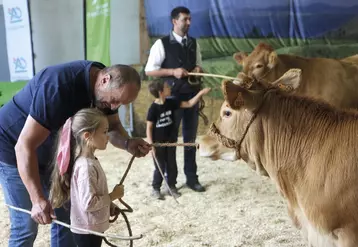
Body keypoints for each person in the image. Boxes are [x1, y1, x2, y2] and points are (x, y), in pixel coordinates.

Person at [0, 60, 151, 247]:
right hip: (13, 148)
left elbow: (112, 127)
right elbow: (24, 146)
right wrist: (37, 199)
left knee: (71, 217)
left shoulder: (106, 91)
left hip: (55, 156)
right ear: (105, 80)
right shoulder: (57, 85)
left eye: (120, 104)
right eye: (114, 100)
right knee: (26, 227)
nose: (113, 107)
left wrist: (128, 143)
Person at [145, 6, 206, 192]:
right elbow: (149, 70)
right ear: (174, 21)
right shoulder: (161, 44)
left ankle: (192, 178)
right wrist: (172, 71)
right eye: (185, 19)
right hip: (172, 99)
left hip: (191, 96)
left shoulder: (194, 43)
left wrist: (197, 70)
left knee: (190, 140)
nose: (188, 23)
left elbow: (200, 67)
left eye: (189, 19)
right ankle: (169, 181)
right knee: (170, 141)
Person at [49, 108, 124, 247]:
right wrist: (113, 195)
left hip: (90, 227)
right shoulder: (86, 167)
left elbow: (93, 193)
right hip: (88, 229)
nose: (108, 137)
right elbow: (89, 203)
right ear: (87, 136)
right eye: (104, 132)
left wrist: (109, 205)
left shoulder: (90, 161)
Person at [146, 79, 211, 199]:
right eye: (166, 87)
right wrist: (151, 145)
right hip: (158, 144)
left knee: (171, 165)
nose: (169, 88)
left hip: (170, 142)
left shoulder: (172, 102)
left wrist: (201, 93)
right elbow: (149, 128)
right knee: (159, 166)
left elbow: (190, 104)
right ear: (161, 92)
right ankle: (156, 188)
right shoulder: (153, 109)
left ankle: (171, 186)